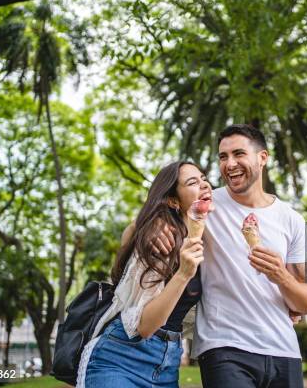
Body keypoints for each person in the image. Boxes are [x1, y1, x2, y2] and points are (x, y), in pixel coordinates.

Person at [154, 124, 307, 387]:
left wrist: (280, 276)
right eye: (223, 156)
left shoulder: (293, 220)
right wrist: (158, 224)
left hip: (284, 351)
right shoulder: (206, 205)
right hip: (224, 348)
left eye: (239, 154)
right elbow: (142, 226)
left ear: (262, 158)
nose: (230, 164)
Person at [76, 161, 212, 388]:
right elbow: (145, 327)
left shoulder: (208, 235)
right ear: (173, 201)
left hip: (168, 366)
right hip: (121, 358)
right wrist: (182, 274)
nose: (205, 185)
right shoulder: (160, 240)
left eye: (204, 179)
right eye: (193, 182)